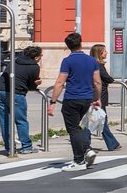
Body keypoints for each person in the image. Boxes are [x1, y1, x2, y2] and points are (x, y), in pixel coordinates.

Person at [46, 32, 102, 172]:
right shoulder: (92, 61)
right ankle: (87, 149)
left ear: (68, 46)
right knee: (79, 127)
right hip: (87, 99)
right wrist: (97, 98)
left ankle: (79, 160)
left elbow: (60, 82)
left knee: (73, 129)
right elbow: (97, 82)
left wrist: (53, 102)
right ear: (81, 43)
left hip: (72, 98)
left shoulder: (68, 61)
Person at [88, 44, 121, 151]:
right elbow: (106, 78)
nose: (106, 53)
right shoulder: (98, 65)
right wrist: (112, 80)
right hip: (98, 96)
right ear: (99, 53)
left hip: (95, 95)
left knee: (94, 121)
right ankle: (112, 144)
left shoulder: (93, 64)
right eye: (104, 51)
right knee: (100, 120)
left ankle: (112, 144)